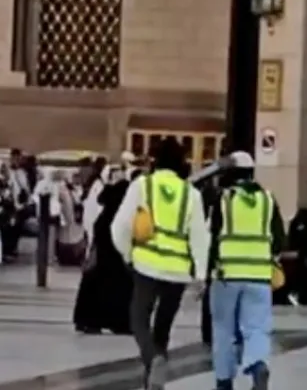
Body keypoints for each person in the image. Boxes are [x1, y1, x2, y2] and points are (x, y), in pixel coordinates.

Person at [112, 137, 210, 390]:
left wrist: (127, 253)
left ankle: (153, 359)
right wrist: (200, 275)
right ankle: (155, 380)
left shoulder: (142, 185)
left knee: (138, 319)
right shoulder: (192, 194)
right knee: (163, 326)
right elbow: (200, 236)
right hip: (177, 270)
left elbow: (121, 225)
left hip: (146, 263)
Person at [208, 151, 285, 390]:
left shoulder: (223, 200)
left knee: (224, 330)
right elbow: (280, 240)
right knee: (257, 328)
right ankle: (258, 366)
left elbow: (213, 237)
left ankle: (224, 381)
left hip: (227, 275)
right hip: (259, 277)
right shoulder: (268, 200)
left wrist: (207, 270)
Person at [73, 178, 133, 335]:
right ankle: (118, 322)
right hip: (115, 258)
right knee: (118, 289)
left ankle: (88, 320)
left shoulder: (107, 212)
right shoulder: (119, 213)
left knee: (95, 287)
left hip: (102, 256)